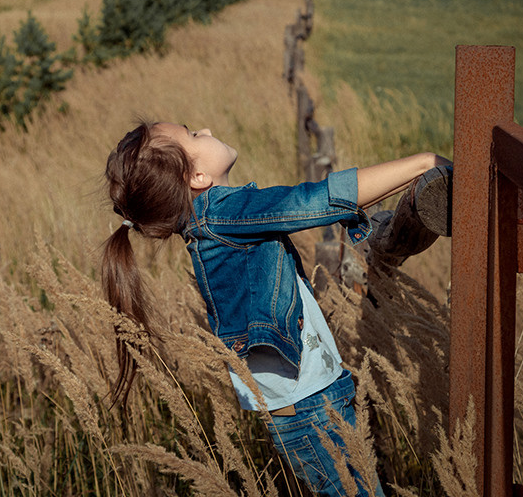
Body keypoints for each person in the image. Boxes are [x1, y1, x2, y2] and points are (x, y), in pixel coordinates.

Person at [101, 120, 451, 497]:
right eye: (192, 134)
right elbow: (314, 201)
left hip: (308, 406)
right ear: (198, 176)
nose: (204, 128)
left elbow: (334, 203)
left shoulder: (212, 222)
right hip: (310, 410)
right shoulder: (223, 214)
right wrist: (424, 162)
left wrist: (426, 176)